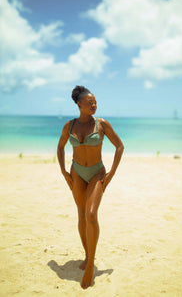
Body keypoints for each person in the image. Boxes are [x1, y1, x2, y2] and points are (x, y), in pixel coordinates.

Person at [57, 85, 124, 289]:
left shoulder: (102, 124)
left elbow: (120, 146)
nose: (94, 104)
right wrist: (64, 171)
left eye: (95, 102)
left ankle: (91, 265)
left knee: (91, 214)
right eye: (89, 102)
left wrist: (111, 172)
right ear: (79, 105)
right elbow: (60, 147)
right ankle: (87, 256)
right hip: (77, 172)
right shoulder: (69, 126)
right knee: (81, 214)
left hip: (97, 173)